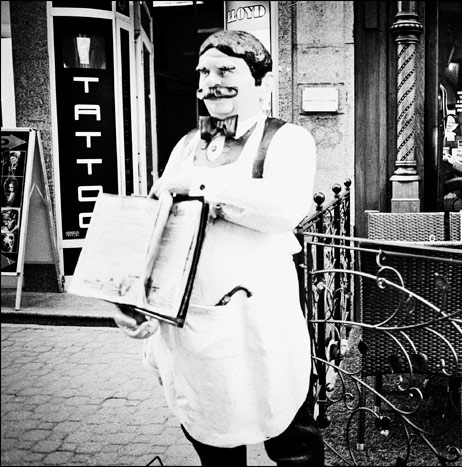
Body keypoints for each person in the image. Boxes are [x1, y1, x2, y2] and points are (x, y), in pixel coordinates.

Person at [112, 29, 321, 466]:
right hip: (194, 325)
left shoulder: (287, 139)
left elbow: (284, 209)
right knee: (212, 440)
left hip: (260, 322)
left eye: (225, 70)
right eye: (204, 72)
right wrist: (135, 300)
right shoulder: (188, 145)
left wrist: (203, 187)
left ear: (262, 82)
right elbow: (161, 227)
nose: (211, 82)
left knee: (291, 439)